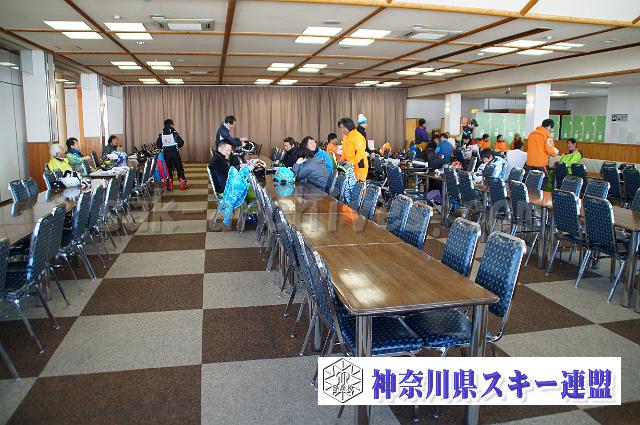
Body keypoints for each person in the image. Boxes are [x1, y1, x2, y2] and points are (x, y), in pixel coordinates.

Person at [155, 118, 187, 190]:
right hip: (175, 153)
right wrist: (176, 147)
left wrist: (164, 147)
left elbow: (158, 144)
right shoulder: (175, 133)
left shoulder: (161, 134)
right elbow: (181, 142)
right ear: (171, 124)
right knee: (179, 168)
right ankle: (182, 183)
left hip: (166, 154)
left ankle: (170, 184)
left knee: (168, 168)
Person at [526, 118, 558, 186]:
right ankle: (537, 192)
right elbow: (549, 149)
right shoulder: (546, 135)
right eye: (551, 128)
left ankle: (531, 192)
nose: (550, 130)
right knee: (545, 179)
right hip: (539, 163)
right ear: (549, 126)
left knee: (532, 181)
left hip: (530, 162)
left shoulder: (532, 134)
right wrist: (555, 153)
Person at [339, 117, 368, 181]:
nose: (342, 130)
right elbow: (344, 149)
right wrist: (342, 158)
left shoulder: (358, 137)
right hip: (350, 166)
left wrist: (351, 163)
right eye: (341, 128)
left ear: (349, 126)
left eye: (343, 128)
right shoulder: (345, 135)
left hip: (359, 166)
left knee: (359, 185)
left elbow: (360, 154)